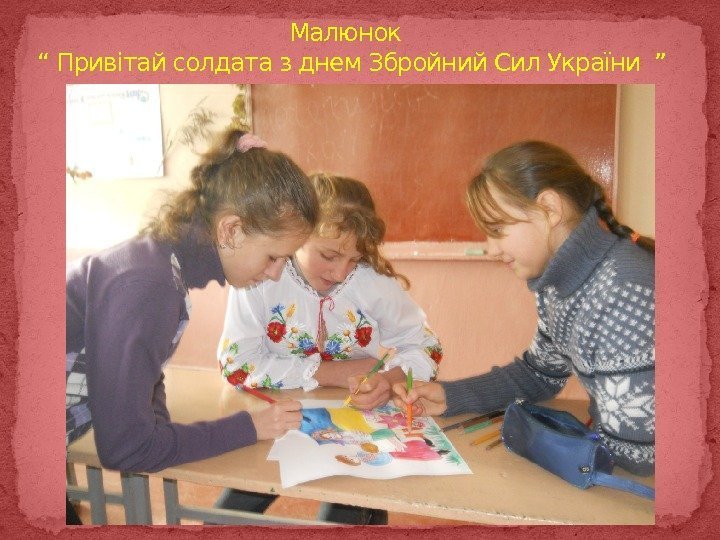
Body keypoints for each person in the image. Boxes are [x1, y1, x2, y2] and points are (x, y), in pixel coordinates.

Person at [65, 130, 318, 524]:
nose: (275, 273)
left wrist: (155, 428)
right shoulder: (149, 285)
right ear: (230, 230)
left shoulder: (161, 264)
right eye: (274, 256)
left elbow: (147, 379)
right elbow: (127, 448)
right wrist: (247, 428)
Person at [393, 141, 655, 477]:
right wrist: (450, 395)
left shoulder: (622, 290)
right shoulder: (558, 285)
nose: (491, 249)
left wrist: (544, 443)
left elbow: (638, 455)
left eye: (497, 230)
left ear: (549, 208)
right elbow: (539, 374)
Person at [216, 173, 444, 524]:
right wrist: (334, 372)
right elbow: (236, 366)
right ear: (298, 234)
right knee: (224, 520)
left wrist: (388, 380)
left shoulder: (373, 283)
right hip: (276, 418)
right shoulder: (260, 276)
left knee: (342, 514)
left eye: (354, 259)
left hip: (356, 422)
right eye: (329, 255)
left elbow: (426, 347)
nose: (340, 273)